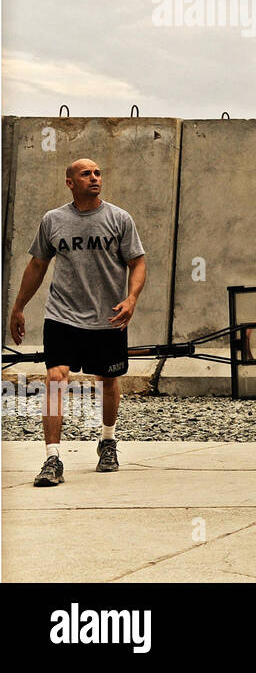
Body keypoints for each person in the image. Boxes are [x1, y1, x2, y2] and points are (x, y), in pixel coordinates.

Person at [8, 159, 147, 487]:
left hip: (107, 316)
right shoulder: (53, 220)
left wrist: (131, 299)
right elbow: (37, 266)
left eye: (97, 173)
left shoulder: (119, 219)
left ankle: (107, 441)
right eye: (86, 174)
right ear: (70, 182)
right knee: (56, 377)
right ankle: (52, 457)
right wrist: (18, 308)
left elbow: (137, 262)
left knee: (108, 380)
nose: (94, 178)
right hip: (62, 315)